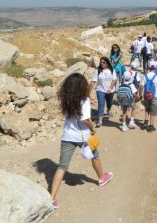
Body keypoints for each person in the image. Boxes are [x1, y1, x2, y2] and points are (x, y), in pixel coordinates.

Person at [50, 73, 113, 209]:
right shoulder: (84, 100)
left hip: (68, 136)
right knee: (95, 155)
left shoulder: (66, 98)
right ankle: (102, 178)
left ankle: (52, 198)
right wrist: (93, 127)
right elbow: (84, 119)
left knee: (62, 166)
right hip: (83, 136)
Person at [90, 57, 117, 127]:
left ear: (107, 63)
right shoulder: (98, 71)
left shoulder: (112, 70)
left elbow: (114, 80)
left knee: (109, 102)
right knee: (101, 104)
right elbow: (93, 81)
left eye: (104, 62)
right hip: (100, 90)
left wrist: (110, 88)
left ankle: (108, 109)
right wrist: (88, 91)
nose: (102, 64)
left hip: (110, 90)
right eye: (101, 62)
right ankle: (100, 121)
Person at [142, 61, 157, 132]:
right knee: (153, 111)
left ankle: (146, 121)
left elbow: (141, 86)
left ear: (148, 67)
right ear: (155, 68)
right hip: (154, 96)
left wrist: (140, 95)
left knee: (147, 108)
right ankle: (151, 126)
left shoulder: (145, 76)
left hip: (146, 95)